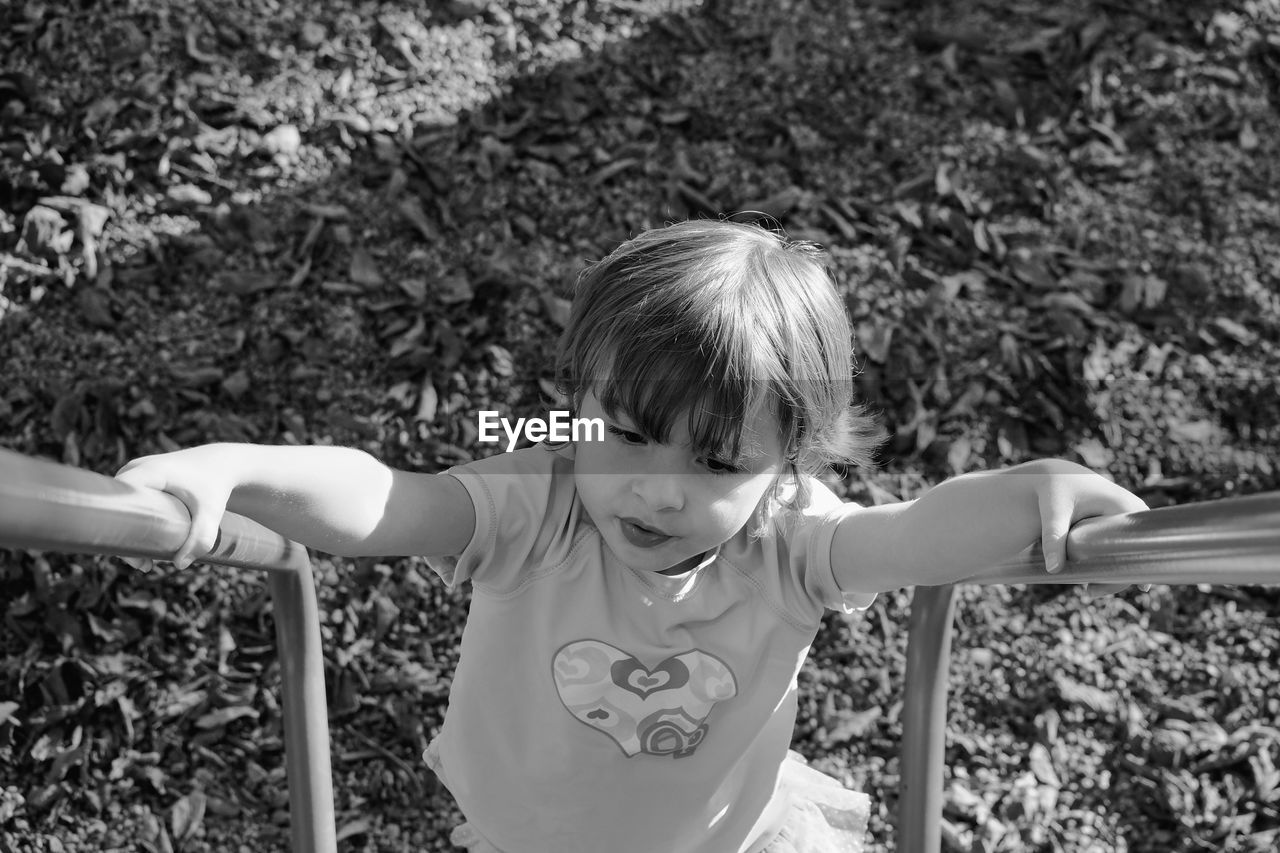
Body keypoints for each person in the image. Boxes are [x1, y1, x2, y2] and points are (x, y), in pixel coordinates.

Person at [116, 220, 1148, 853]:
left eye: (714, 463)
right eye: (627, 435)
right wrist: (236, 466)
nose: (654, 490)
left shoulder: (787, 547)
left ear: (786, 466)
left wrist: (1033, 490)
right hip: (531, 834)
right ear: (574, 411)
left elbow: (919, 533)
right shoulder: (542, 497)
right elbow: (389, 498)